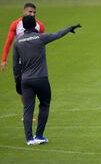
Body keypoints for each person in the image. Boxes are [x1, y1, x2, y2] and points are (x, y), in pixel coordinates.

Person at [12, 15, 81, 145]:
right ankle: (39, 135)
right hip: (41, 79)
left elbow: (16, 65)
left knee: (28, 109)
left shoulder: (17, 42)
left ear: (23, 27)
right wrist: (69, 28)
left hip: (25, 80)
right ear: (35, 25)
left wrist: (18, 81)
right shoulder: (40, 38)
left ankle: (29, 139)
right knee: (44, 105)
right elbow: (57, 34)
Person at [2, 3, 45, 73]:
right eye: (30, 12)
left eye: (34, 12)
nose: (33, 14)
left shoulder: (40, 25)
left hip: (34, 62)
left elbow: (41, 45)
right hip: (20, 61)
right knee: (20, 82)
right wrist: (4, 60)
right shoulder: (15, 24)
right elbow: (8, 43)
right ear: (24, 12)